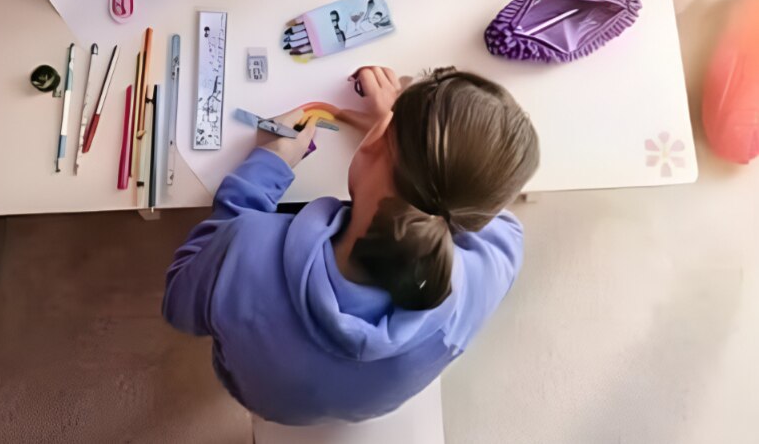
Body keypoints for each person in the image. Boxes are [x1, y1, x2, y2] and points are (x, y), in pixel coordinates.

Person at [162, 66, 539, 425]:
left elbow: (179, 299)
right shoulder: (483, 280)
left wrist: (266, 166)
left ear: (377, 137)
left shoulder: (244, 252)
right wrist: (400, 145)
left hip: (256, 393)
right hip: (356, 406)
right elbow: (488, 212)